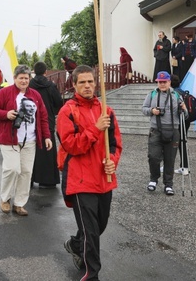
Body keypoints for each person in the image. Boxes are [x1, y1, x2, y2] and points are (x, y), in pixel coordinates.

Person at [58, 65, 122, 279]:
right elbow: (71, 146)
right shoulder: (67, 111)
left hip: (103, 178)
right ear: (74, 85)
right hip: (80, 179)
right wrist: (95, 128)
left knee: (99, 226)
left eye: (90, 81)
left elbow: (115, 144)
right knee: (91, 232)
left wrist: (112, 161)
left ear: (96, 83)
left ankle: (75, 244)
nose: (87, 85)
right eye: (82, 82)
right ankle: (91, 273)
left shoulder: (107, 111)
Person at [0, 65, 53, 215]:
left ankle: (19, 203)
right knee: (12, 168)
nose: (24, 81)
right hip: (9, 138)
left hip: (29, 140)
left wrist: (47, 136)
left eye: (26, 78)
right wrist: (6, 114)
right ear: (15, 78)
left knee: (25, 172)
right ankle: (5, 199)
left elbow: (43, 117)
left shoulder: (36, 95)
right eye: (21, 78)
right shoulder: (5, 92)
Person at [141, 71, 187, 195]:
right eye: (160, 82)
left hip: (173, 131)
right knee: (153, 157)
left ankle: (168, 184)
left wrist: (184, 109)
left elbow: (185, 115)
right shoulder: (152, 94)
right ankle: (153, 179)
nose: (162, 84)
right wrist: (152, 110)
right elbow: (143, 109)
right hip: (156, 130)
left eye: (164, 82)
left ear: (169, 82)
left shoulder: (177, 95)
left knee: (170, 159)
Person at [28, 61, 63, 188]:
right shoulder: (50, 85)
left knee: (31, 149)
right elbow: (59, 101)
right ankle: (47, 180)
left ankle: (30, 178)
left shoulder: (29, 84)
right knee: (48, 149)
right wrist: (52, 110)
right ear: (45, 72)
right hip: (47, 119)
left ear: (34, 71)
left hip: (31, 119)